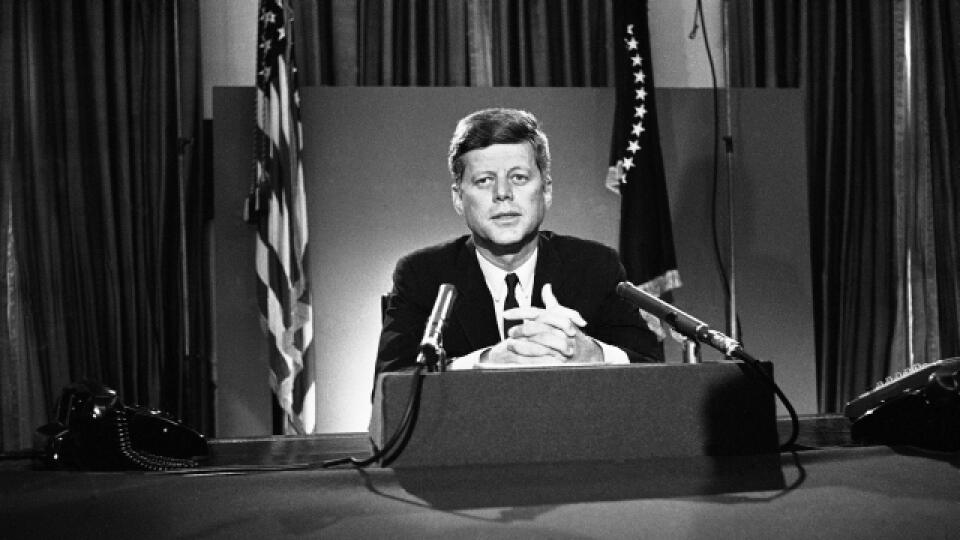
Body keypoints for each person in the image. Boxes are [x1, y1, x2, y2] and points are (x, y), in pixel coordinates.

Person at [375, 108, 661, 377]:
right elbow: (391, 387)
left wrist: (593, 354)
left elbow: (652, 369)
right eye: (485, 180)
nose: (503, 193)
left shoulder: (595, 266)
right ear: (458, 198)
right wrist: (484, 362)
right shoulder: (423, 275)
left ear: (546, 190)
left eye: (519, 178)